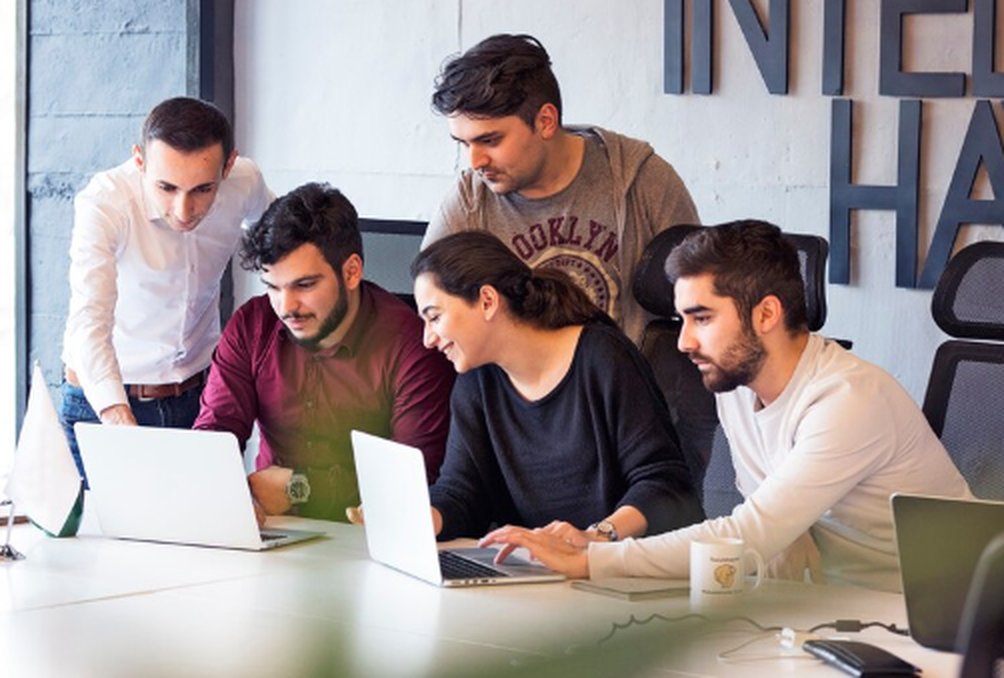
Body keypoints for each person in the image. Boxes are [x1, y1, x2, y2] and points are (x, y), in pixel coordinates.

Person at [481, 220, 973, 592]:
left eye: (702, 318)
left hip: (934, 616)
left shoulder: (847, 401)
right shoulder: (737, 388)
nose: (684, 342)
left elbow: (750, 533)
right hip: (833, 609)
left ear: (766, 314)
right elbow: (777, 541)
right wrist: (595, 544)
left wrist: (593, 560)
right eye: (681, 319)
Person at [410, 231, 704, 543]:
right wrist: (423, 517)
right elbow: (462, 493)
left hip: (624, 570)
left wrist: (595, 537)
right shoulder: (475, 381)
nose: (428, 339)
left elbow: (665, 483)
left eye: (435, 318)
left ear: (487, 301)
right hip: (534, 575)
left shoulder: (602, 358)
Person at [193, 182, 454, 522]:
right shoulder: (252, 325)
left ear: (351, 272)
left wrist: (299, 488)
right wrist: (223, 492)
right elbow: (214, 438)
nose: (286, 307)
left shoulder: (413, 347)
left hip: (367, 535)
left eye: (304, 285)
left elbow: (412, 482)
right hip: (276, 529)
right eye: (273, 287)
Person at [422, 33, 700, 346]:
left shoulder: (642, 179)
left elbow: (701, 300)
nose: (475, 162)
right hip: (516, 392)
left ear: (545, 121)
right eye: (464, 143)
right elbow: (435, 310)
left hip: (623, 388)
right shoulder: (469, 202)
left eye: (490, 140)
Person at [61, 96, 273, 484]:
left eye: (203, 189)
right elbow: (89, 321)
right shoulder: (105, 203)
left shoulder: (245, 181)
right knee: (110, 542)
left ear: (229, 165)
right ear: (140, 161)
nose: (183, 209)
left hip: (197, 398)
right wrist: (117, 416)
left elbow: (282, 243)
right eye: (167, 187)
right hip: (106, 402)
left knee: (204, 537)